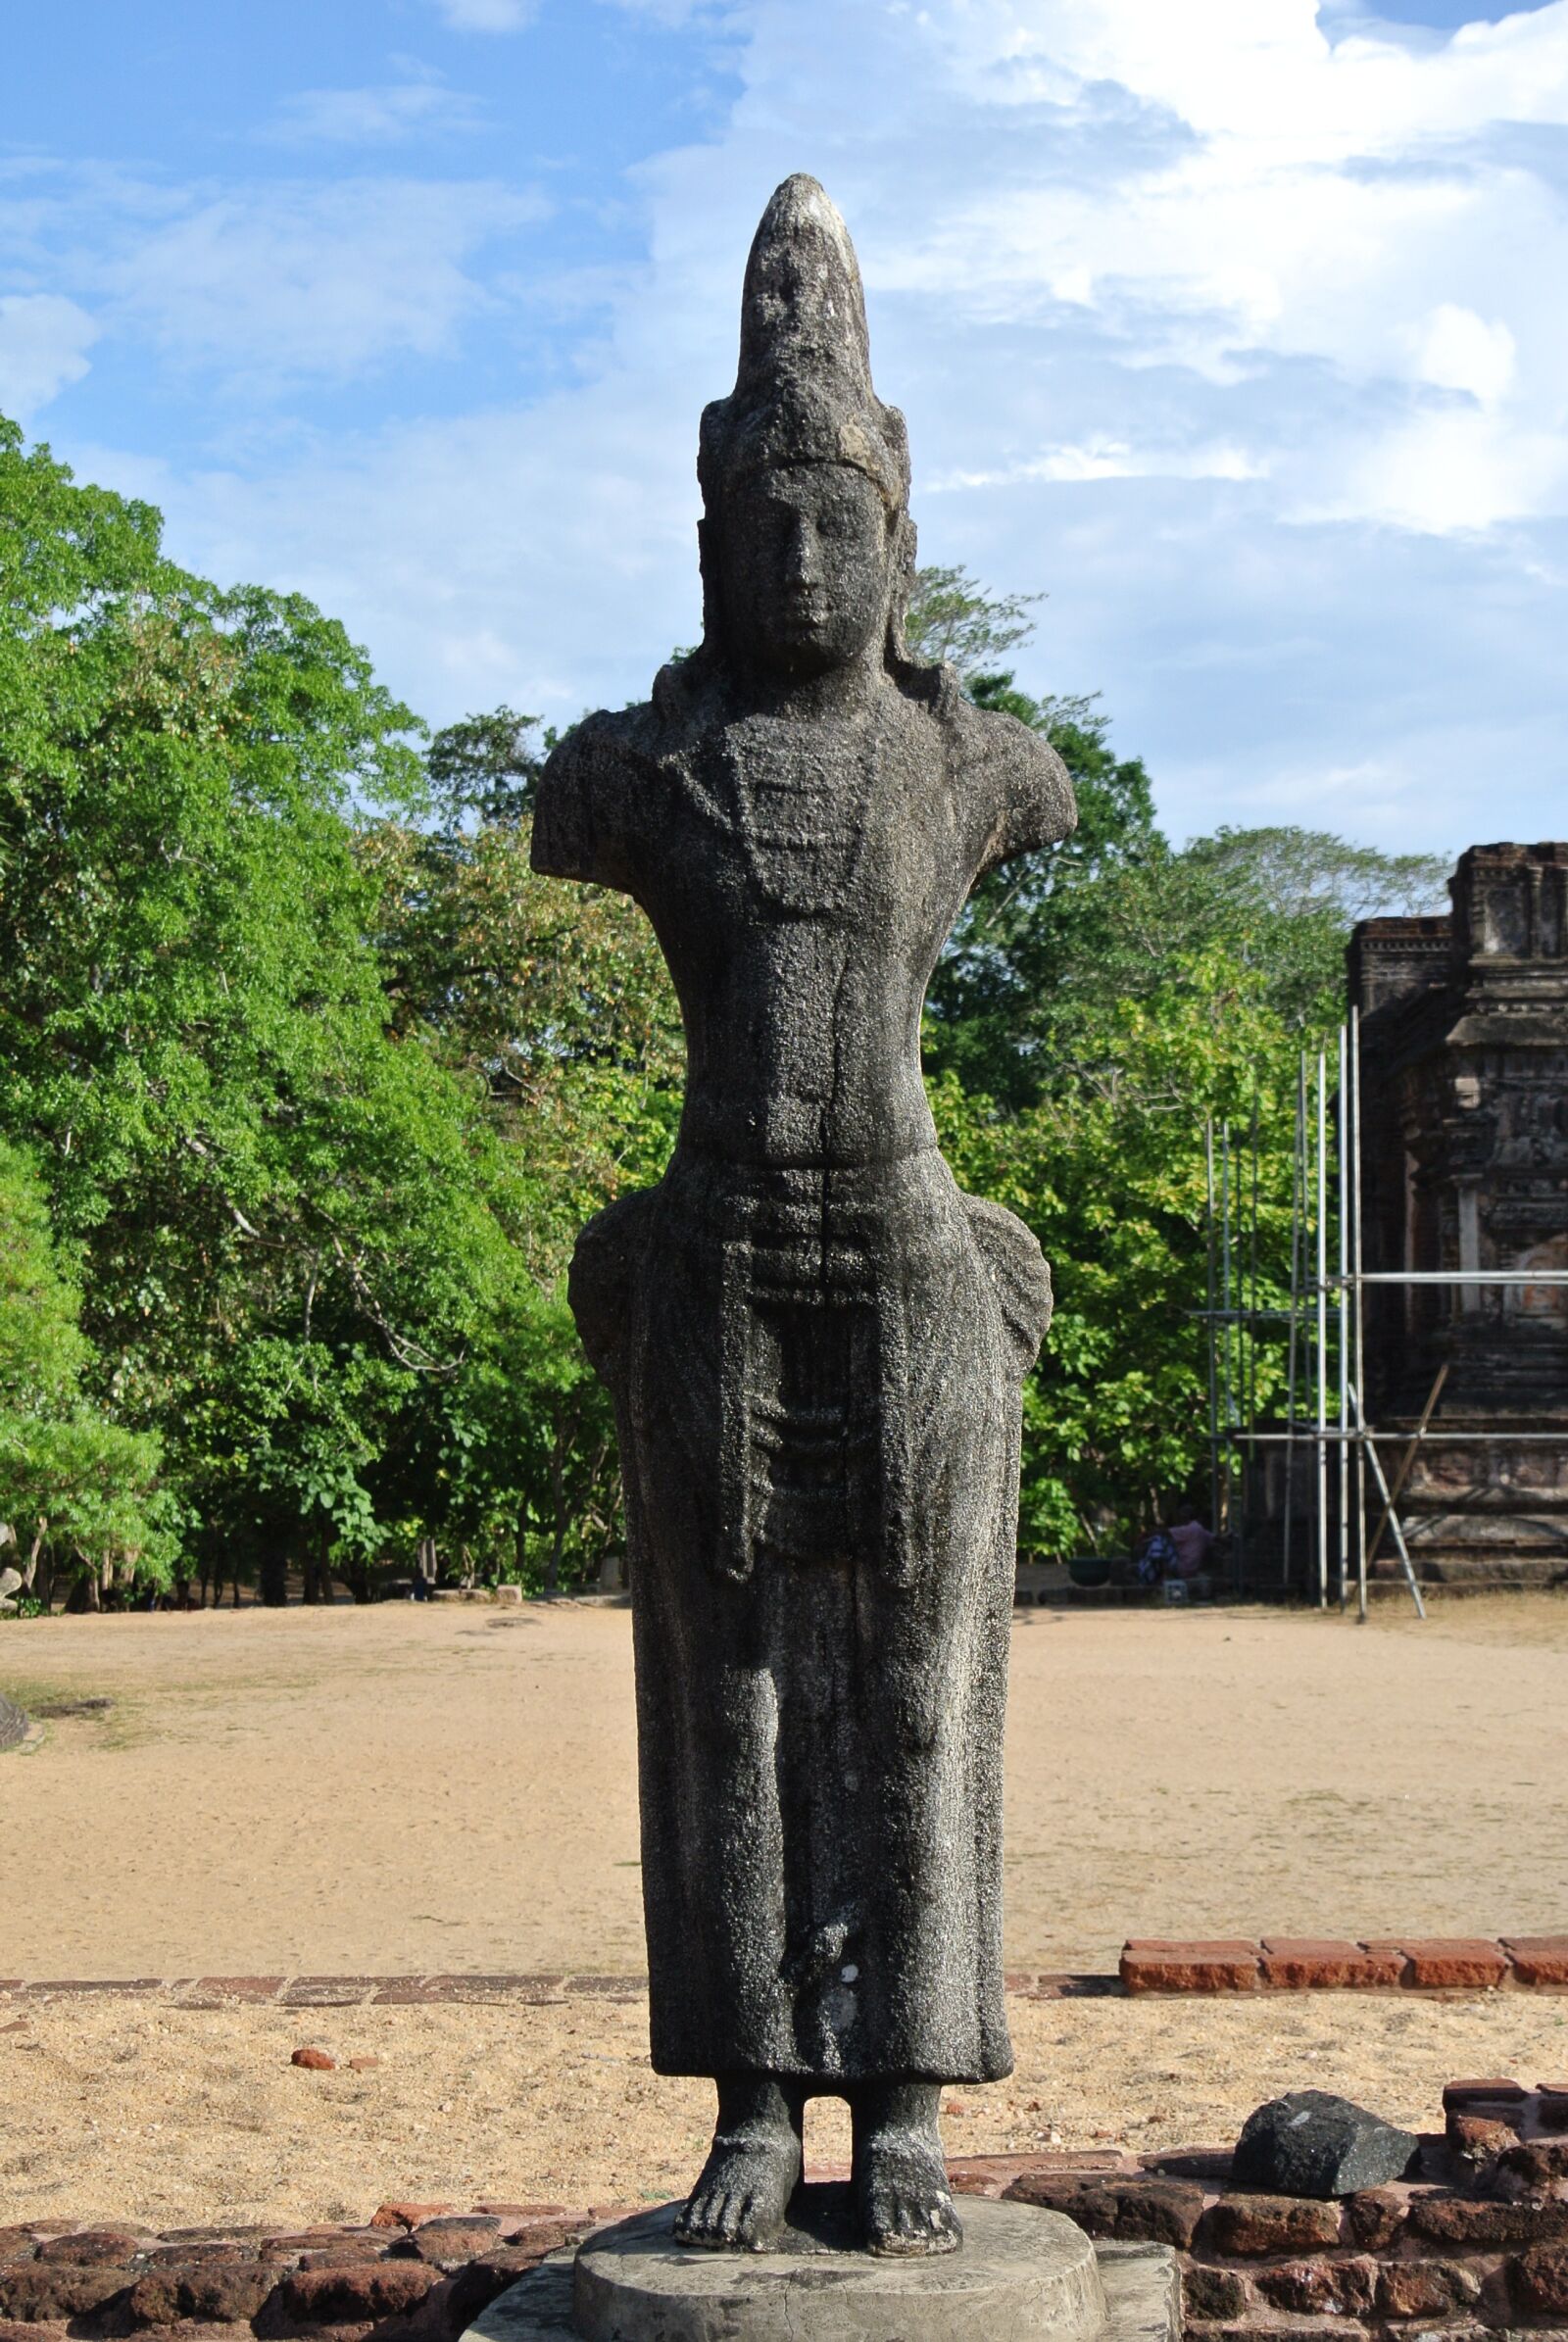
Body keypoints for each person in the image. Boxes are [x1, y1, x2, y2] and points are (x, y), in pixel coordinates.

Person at [532, 176, 1075, 2256]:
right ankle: (756, 2094)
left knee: (928, 1678)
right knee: (729, 1680)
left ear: (899, 541)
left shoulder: (971, 767)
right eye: (762, 520)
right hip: (716, 1254)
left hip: (917, 1252)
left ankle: (909, 2097)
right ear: (704, 544)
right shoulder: (644, 774)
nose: (799, 551)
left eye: (837, 516)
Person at [1167, 1501, 1213, 1580]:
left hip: (1185, 1566)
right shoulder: (1201, 1530)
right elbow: (1215, 1538)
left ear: (1185, 1516)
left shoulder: (1189, 1529)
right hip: (1194, 1566)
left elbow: (1166, 1533)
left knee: (1159, 1543)